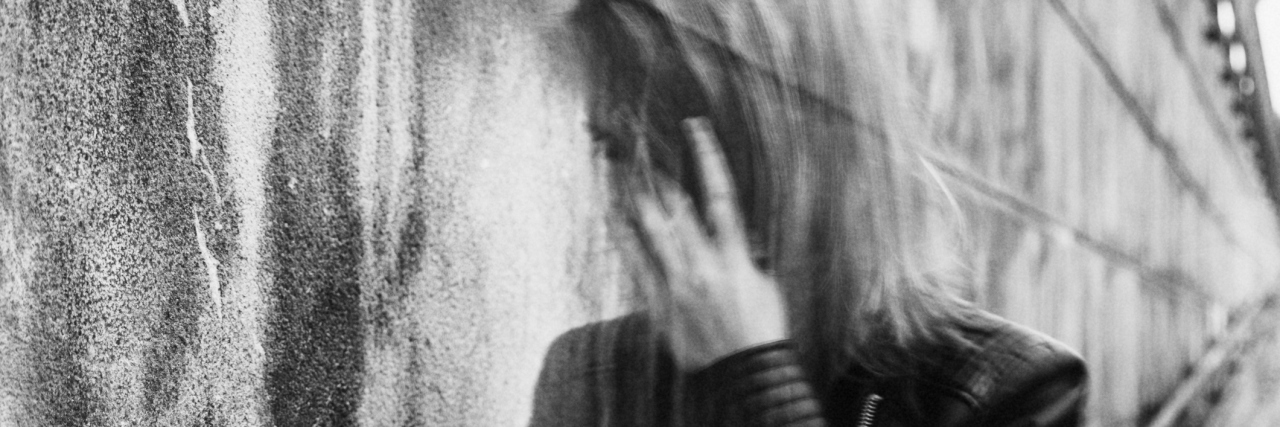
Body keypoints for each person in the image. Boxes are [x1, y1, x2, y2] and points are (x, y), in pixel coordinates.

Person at [530, 0, 1088, 426]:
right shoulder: (589, 370)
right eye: (614, 151)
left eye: (670, 150)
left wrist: (751, 373)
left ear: (780, 153)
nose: (635, 200)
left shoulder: (1012, 387)